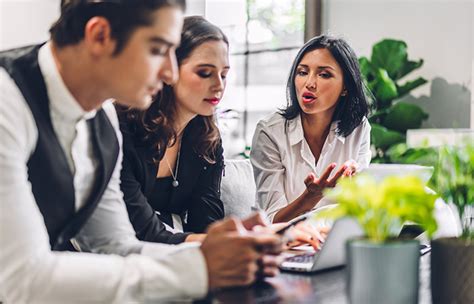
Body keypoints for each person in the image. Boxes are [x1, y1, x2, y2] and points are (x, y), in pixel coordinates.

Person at [0, 1, 282, 302]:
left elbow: (118, 246)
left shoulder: (103, 124)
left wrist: (233, 251)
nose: (170, 72)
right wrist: (199, 269)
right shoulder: (7, 103)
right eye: (159, 50)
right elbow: (20, 279)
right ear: (99, 36)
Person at [117, 16, 227, 244]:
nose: (219, 85)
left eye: (224, 74)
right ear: (168, 69)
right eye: (205, 73)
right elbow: (137, 229)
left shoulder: (208, 141)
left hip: (169, 259)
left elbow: (207, 222)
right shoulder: (121, 129)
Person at [250, 35, 371, 223]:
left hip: (334, 239)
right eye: (302, 72)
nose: (309, 83)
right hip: (283, 245)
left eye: (324, 75)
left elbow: (360, 209)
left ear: (345, 87)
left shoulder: (358, 128)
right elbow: (272, 221)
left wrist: (358, 190)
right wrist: (312, 196)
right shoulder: (270, 132)